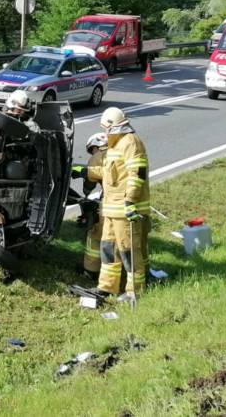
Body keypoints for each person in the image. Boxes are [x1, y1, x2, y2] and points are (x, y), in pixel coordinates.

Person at [94, 106, 150, 305]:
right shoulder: (113, 145)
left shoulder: (130, 143)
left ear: (114, 126)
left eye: (105, 128)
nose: (104, 132)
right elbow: (109, 174)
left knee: (129, 250)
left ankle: (135, 290)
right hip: (111, 209)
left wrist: (131, 201)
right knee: (107, 248)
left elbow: (137, 173)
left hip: (126, 210)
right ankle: (107, 286)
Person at [70, 132, 108, 280]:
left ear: (96, 146)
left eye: (92, 150)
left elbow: (90, 183)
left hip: (113, 202)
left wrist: (85, 193)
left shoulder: (98, 157)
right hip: (131, 201)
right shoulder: (119, 153)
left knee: (95, 234)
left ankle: (90, 271)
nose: (92, 153)